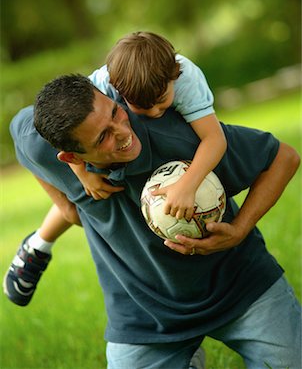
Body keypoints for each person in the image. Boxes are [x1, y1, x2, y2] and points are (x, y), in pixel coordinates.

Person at [4, 74, 301, 369]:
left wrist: (239, 229)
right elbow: (21, 132)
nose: (122, 132)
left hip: (241, 287)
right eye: (103, 137)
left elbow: (283, 157)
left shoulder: (176, 134)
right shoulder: (45, 145)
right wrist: (65, 203)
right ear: (70, 157)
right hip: (144, 316)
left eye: (115, 113)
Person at [7, 31, 227, 298]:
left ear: (174, 77)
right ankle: (37, 245)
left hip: (159, 161)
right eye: (139, 106)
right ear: (117, 88)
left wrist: (187, 184)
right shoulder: (103, 82)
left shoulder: (186, 80)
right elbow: (69, 126)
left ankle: (38, 242)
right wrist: (82, 175)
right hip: (103, 156)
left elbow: (214, 139)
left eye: (160, 103)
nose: (152, 113)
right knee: (75, 211)